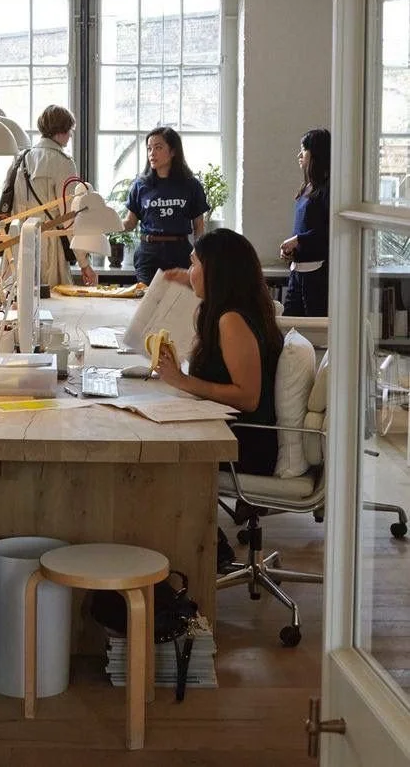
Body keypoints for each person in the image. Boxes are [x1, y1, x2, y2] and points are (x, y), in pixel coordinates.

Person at [160, 230, 284, 569]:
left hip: (244, 443)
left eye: (194, 263)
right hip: (232, 430)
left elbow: (248, 396)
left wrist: (183, 381)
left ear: (215, 271)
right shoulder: (235, 307)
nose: (189, 270)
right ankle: (202, 542)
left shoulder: (231, 320)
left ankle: (205, 549)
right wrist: (186, 280)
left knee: (157, 453)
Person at [8, 105, 97, 288]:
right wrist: (84, 263)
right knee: (53, 309)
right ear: (61, 131)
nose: (71, 135)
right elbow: (70, 218)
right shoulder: (63, 163)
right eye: (70, 130)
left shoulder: (21, 159)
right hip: (49, 246)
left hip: (17, 244)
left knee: (18, 307)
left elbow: (8, 206)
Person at [122, 126, 209, 284]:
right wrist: (102, 223)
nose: (152, 153)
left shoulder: (191, 185)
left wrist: (201, 256)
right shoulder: (140, 185)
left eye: (158, 147)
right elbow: (129, 223)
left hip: (180, 251)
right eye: (149, 148)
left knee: (180, 303)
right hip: (149, 253)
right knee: (147, 302)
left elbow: (199, 225)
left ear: (173, 151)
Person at [279, 128, 330, 317]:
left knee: (314, 331)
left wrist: (298, 240)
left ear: (315, 154)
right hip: (297, 271)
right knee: (289, 326)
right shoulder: (307, 187)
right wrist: (291, 248)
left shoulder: (328, 189)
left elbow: (328, 231)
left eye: (303, 149)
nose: (299, 154)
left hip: (317, 274)